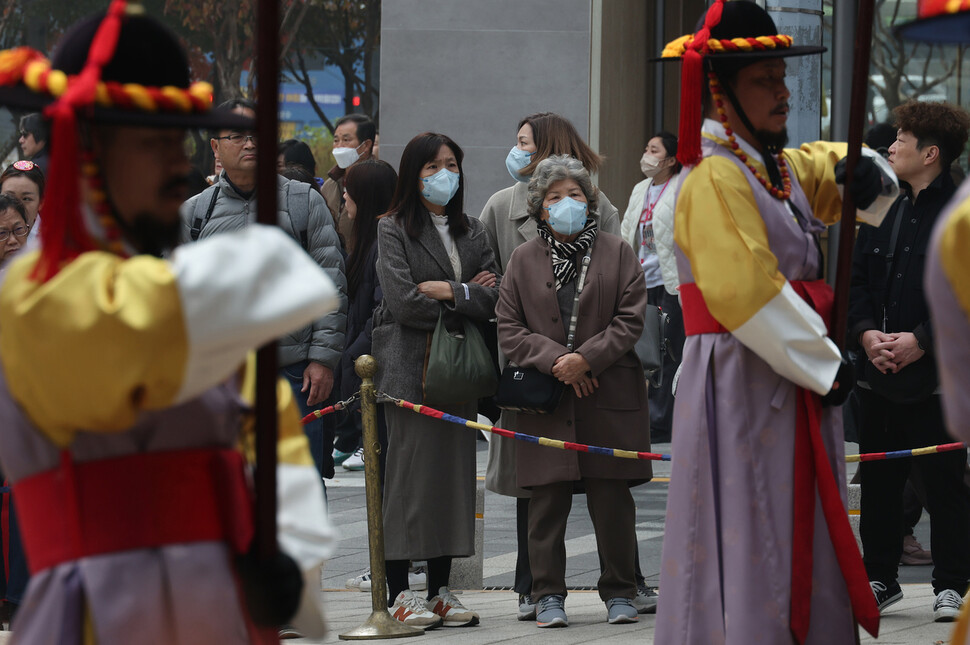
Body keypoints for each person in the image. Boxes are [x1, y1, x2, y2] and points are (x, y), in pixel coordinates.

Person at [0, 3, 338, 642]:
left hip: (223, 612)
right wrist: (265, 263)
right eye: (153, 146)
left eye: (177, 144)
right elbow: (164, 317)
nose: (175, 167)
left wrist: (285, 547)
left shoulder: (172, 293)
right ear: (91, 152)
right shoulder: (35, 295)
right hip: (98, 611)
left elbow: (262, 415)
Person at [654, 1, 890, 642]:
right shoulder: (713, 180)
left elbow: (832, 169)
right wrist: (823, 362)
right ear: (721, 93)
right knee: (754, 519)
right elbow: (744, 291)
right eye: (765, 80)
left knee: (795, 514)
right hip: (743, 377)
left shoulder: (771, 168)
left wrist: (863, 170)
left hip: (786, 372)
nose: (782, 91)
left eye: (782, 77)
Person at [479, 111, 650, 620]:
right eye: (554, 198)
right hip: (547, 396)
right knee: (546, 502)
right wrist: (559, 361)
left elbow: (630, 317)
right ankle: (546, 593)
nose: (565, 204)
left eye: (575, 195)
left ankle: (620, 590)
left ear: (590, 201)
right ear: (539, 208)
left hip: (607, 391)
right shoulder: (523, 259)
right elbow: (508, 326)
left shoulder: (617, 252)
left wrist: (587, 359)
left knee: (611, 499)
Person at [181, 99, 348, 486]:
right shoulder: (194, 215)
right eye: (237, 135)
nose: (249, 143)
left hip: (292, 373)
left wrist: (322, 359)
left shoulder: (303, 202)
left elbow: (332, 284)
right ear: (216, 147)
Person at [848, 100, 970, 621]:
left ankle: (951, 585)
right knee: (878, 484)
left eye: (902, 139)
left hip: (939, 377)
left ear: (932, 153)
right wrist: (866, 333)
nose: (891, 146)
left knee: (945, 485)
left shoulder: (962, 209)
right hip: (878, 374)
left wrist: (922, 339)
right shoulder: (880, 201)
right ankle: (879, 578)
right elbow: (852, 281)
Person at [372, 132, 499, 629]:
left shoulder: (474, 229)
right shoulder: (393, 228)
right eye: (431, 167)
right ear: (411, 173)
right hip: (408, 368)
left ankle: (441, 589)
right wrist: (468, 297)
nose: (443, 174)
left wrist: (450, 289)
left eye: (450, 164)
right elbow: (403, 302)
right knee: (408, 481)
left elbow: (498, 297)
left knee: (452, 478)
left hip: (460, 371)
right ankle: (401, 591)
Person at [334, 159, 397, 476]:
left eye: (350, 191)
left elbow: (379, 312)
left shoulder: (382, 247)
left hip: (375, 371)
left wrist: (351, 355)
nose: (344, 198)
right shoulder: (363, 244)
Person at [621, 131, 684, 443]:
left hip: (672, 284)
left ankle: (661, 422)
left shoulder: (682, 187)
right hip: (642, 280)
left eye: (654, 150)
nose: (647, 154)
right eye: (646, 148)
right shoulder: (640, 188)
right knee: (645, 353)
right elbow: (626, 231)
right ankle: (649, 417)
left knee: (670, 351)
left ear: (670, 159)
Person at [321, 114, 376, 250]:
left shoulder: (378, 181)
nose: (339, 146)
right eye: (336, 140)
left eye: (346, 140)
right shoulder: (330, 184)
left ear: (366, 145)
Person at [0, 160, 45, 246]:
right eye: (9, 197)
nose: (17, 206)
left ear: (41, 202)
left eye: (26, 199)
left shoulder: (53, 240)